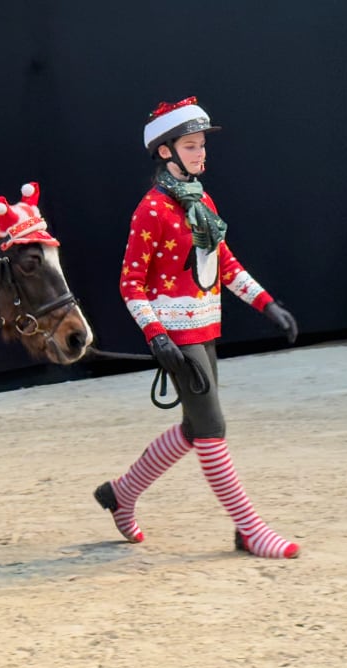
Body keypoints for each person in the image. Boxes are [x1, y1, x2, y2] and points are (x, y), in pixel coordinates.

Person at [94, 96, 300, 559]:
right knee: (211, 429)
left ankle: (122, 494)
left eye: (201, 144)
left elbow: (223, 262)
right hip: (177, 335)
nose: (200, 153)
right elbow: (130, 283)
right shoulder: (151, 209)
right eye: (190, 145)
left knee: (193, 428)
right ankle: (249, 529)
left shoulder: (201, 199)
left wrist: (266, 304)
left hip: (206, 328)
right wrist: (156, 335)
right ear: (165, 151)